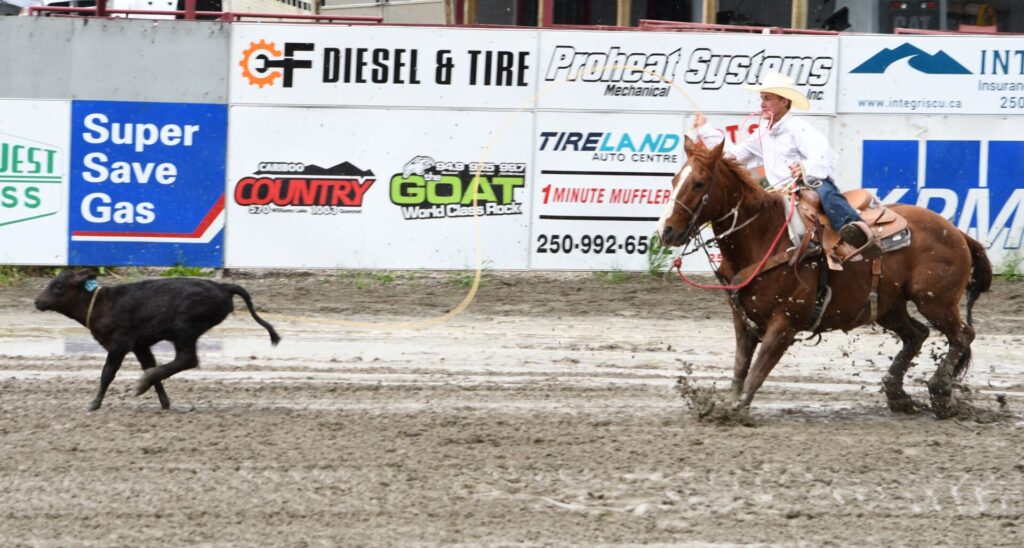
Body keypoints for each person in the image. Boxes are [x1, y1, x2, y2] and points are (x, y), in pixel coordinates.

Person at [691, 72, 880, 258]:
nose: (762, 103)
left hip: (807, 184)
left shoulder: (797, 127)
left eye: (768, 98)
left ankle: (856, 230)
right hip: (780, 193)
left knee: (826, 193)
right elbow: (733, 157)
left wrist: (805, 168)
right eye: (762, 98)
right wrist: (705, 130)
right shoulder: (763, 132)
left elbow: (820, 151)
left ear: (784, 102)